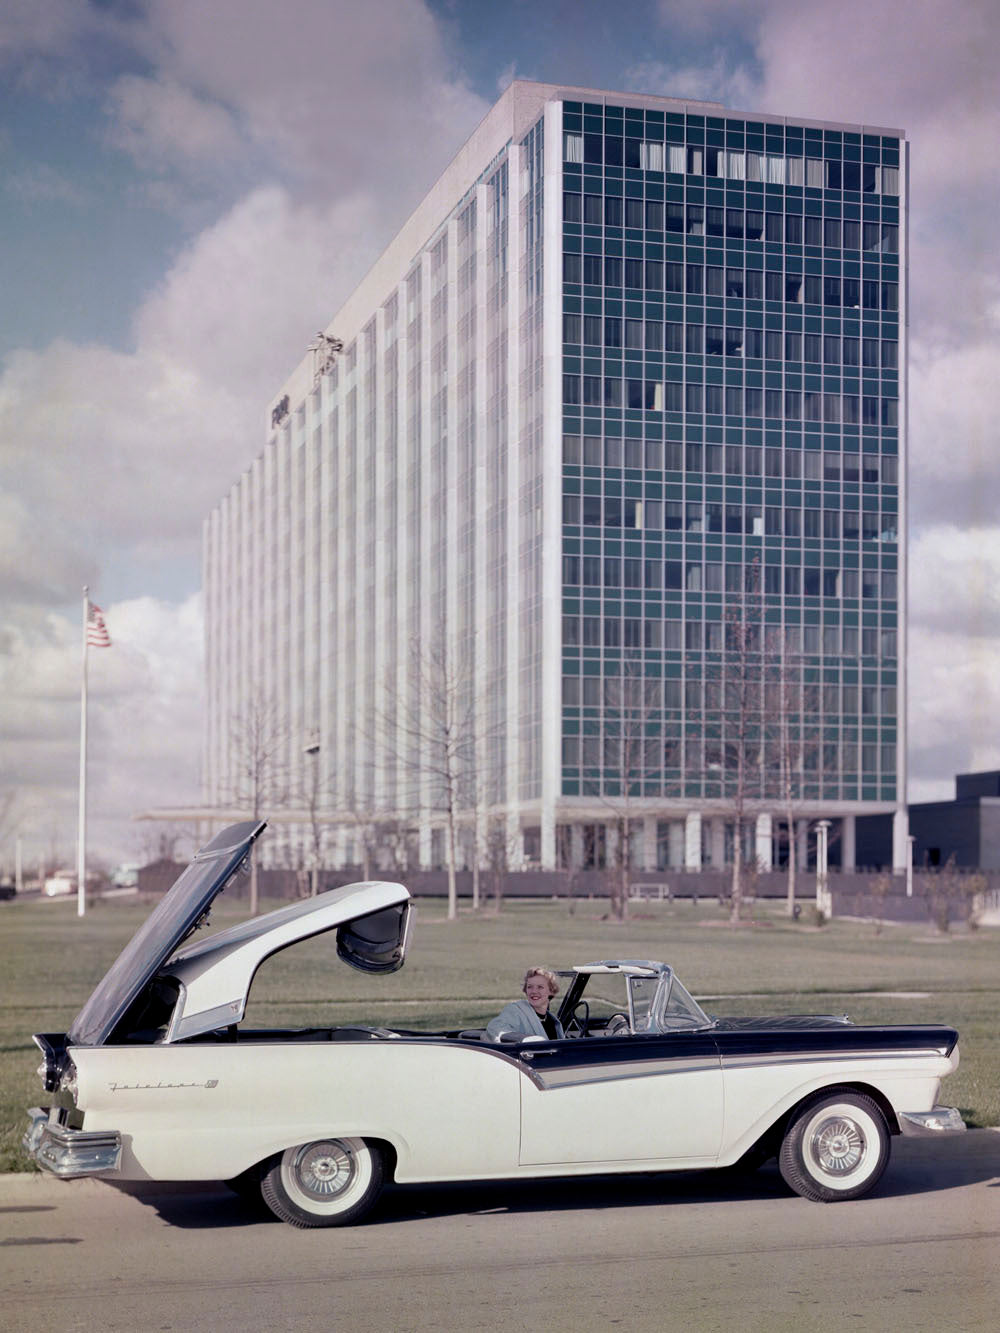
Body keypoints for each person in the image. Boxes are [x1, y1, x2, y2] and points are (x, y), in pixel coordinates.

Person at [486, 967, 565, 1041]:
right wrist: (525, 1039)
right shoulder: (516, 1011)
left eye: (540, 987)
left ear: (551, 991)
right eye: (530, 987)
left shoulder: (552, 1021)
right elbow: (494, 1028)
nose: (534, 991)